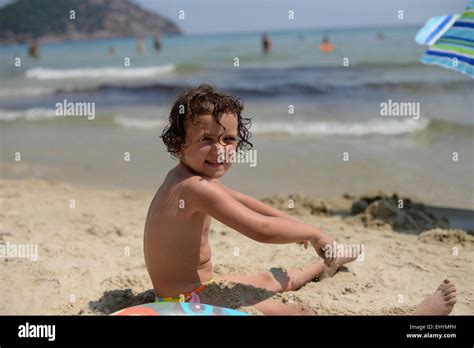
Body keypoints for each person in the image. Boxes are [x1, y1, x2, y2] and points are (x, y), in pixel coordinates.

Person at [144, 84, 457, 315]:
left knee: (269, 278)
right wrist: (314, 233)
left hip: (191, 289)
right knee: (301, 313)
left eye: (228, 139)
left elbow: (243, 201)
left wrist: (299, 225)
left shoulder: (187, 179)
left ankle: (325, 263)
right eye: (206, 139)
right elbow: (260, 231)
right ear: (177, 142)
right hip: (186, 304)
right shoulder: (196, 188)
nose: (219, 149)